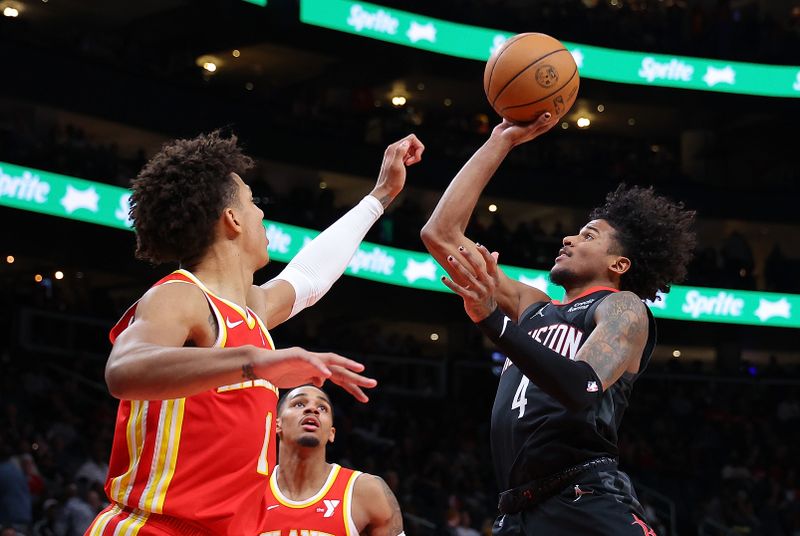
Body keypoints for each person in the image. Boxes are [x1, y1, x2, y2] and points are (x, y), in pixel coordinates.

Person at [87, 130, 424, 535]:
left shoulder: (251, 313)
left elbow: (309, 276)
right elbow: (123, 369)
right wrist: (260, 363)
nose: (262, 214)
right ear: (231, 220)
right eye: (252, 203)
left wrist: (379, 197)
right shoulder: (181, 295)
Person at [421, 114, 695, 535]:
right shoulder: (534, 307)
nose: (568, 238)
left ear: (618, 264)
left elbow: (579, 387)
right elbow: (441, 234)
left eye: (588, 236)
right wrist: (501, 141)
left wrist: (493, 321)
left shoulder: (622, 309)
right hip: (517, 510)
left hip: (584, 498)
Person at [260, 385, 403, 536]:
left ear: (331, 433)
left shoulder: (366, 491)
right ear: (277, 425)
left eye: (322, 408)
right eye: (299, 404)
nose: (312, 410)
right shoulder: (252, 492)